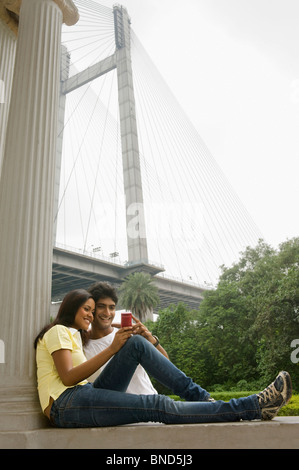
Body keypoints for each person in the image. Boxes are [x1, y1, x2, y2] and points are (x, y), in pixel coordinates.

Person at [34, 288, 292, 428]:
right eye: (87, 309)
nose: (92, 314)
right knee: (157, 404)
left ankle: (203, 397)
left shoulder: (75, 336)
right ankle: (252, 406)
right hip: (67, 403)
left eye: (96, 309)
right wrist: (112, 348)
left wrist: (147, 338)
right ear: (70, 308)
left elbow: (162, 360)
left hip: (83, 397)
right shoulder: (59, 331)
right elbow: (67, 377)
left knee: (136, 343)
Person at [84, 281, 167, 394]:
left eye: (112, 307)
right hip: (118, 409)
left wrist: (151, 340)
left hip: (151, 402)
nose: (107, 313)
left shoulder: (130, 336)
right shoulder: (82, 346)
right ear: (92, 309)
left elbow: (165, 369)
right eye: (101, 306)